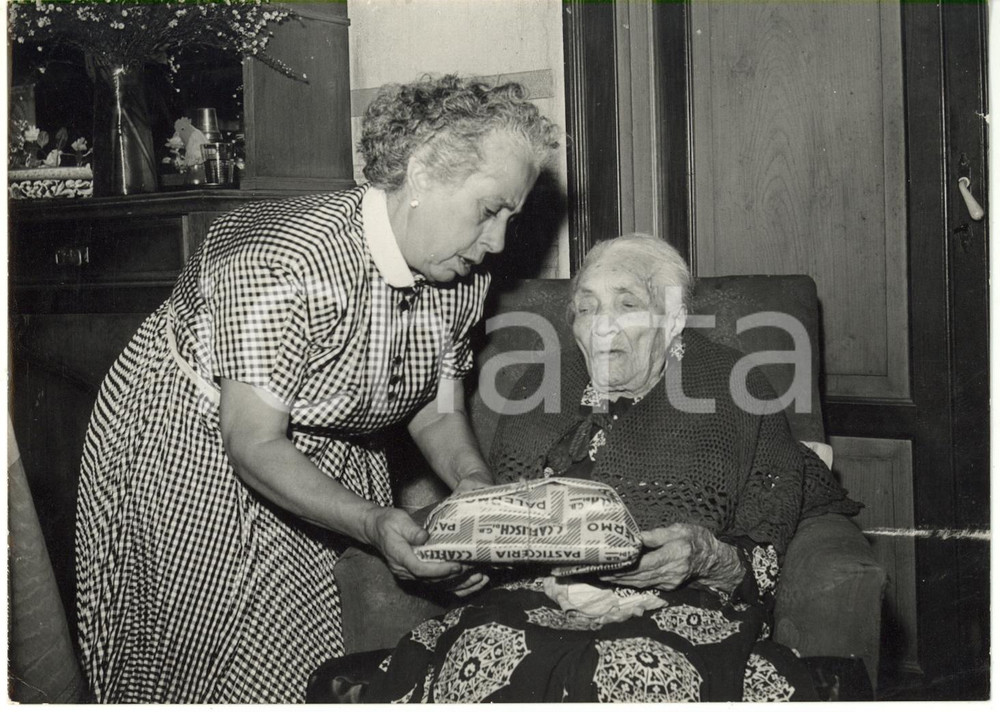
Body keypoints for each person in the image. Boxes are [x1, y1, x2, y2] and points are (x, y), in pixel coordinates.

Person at [74, 74, 560, 703]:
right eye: (488, 210)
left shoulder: (460, 275)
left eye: (510, 220)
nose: (496, 241)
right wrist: (373, 521)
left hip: (324, 442)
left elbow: (437, 411)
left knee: (307, 655)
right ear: (420, 171)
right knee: (192, 658)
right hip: (188, 445)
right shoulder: (283, 260)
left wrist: (474, 487)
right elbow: (253, 439)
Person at [364, 233, 861, 703]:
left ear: (673, 318)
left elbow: (764, 546)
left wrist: (706, 556)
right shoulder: (538, 387)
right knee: (486, 655)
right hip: (531, 602)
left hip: (674, 605)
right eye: (585, 308)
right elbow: (501, 521)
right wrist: (464, 551)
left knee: (630, 673)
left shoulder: (736, 389)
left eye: (627, 305)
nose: (602, 325)